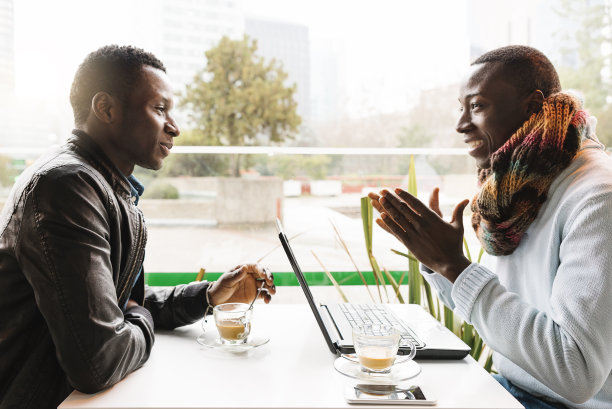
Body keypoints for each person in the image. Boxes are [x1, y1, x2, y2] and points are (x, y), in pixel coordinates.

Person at [0, 45, 276, 409]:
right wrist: (138, 314)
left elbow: (114, 307)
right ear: (107, 109)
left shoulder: (100, 183)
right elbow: (99, 360)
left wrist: (209, 296)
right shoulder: (68, 187)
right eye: (160, 109)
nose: (174, 127)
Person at [370, 45, 612, 409]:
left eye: (477, 106)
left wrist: (455, 266)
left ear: (533, 107)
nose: (461, 124)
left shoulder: (597, 198)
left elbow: (575, 373)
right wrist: (438, 262)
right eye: (461, 107)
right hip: (510, 389)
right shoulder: (516, 189)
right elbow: (498, 313)